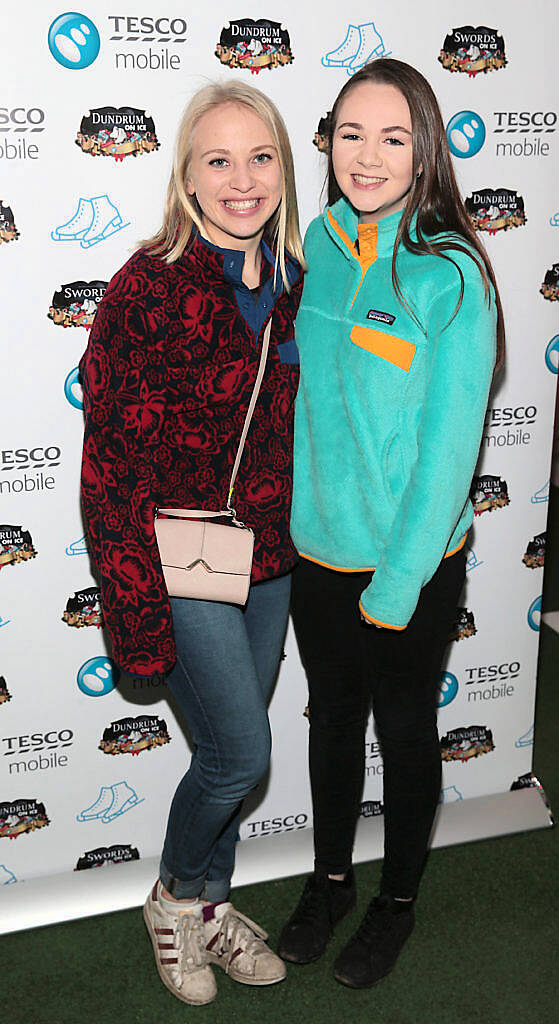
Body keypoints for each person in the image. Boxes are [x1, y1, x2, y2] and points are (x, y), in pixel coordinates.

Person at [278, 58, 504, 989]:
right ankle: (330, 880)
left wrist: (402, 578)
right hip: (317, 554)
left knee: (405, 734)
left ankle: (395, 902)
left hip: (408, 564)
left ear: (424, 152)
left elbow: (453, 450)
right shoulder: (318, 243)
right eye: (350, 134)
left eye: (393, 137)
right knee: (330, 724)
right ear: (328, 141)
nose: (366, 156)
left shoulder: (452, 275)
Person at [79, 81, 305, 1006]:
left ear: (285, 168)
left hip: (273, 557)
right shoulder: (147, 286)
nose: (241, 180)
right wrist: (134, 612)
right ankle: (173, 900)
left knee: (229, 746)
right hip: (178, 563)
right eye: (218, 159)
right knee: (240, 758)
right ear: (186, 174)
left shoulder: (302, 280)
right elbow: (107, 469)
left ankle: (212, 904)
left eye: (260, 157)